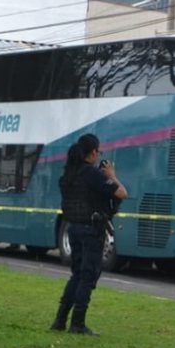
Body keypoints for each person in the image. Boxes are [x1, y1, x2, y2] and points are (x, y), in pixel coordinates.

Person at [51, 133, 128, 335]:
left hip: (73, 228)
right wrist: (111, 175)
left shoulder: (68, 174)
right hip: (92, 230)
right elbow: (121, 193)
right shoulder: (93, 175)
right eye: (98, 151)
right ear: (93, 152)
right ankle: (77, 323)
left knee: (76, 275)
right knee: (88, 276)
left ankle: (60, 320)